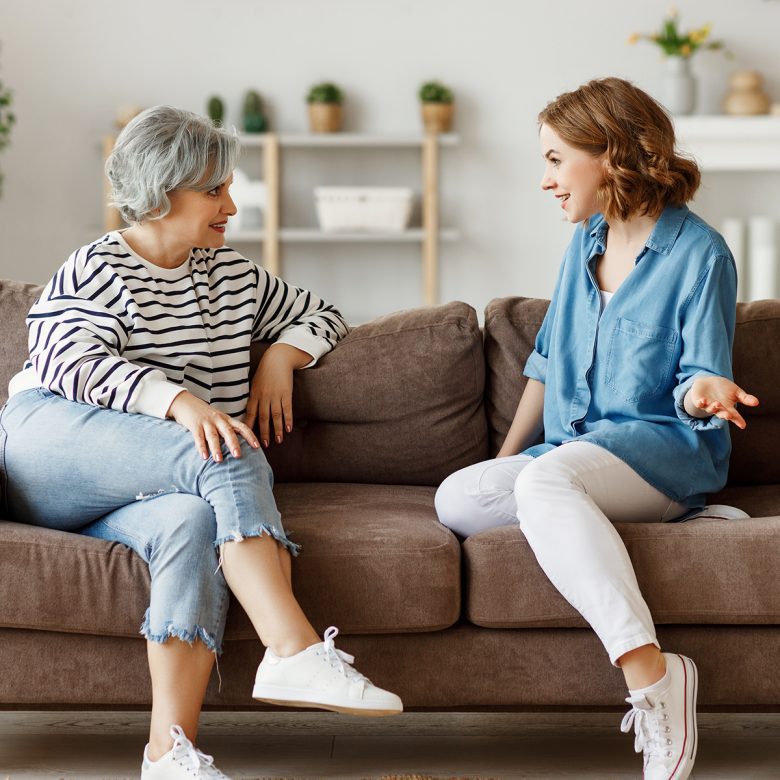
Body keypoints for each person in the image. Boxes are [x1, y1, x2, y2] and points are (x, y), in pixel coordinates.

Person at [0, 105, 402, 780]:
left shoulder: (232, 278)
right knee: (222, 443)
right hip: (48, 449)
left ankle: (169, 752)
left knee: (189, 523)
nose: (232, 205)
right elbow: (69, 361)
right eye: (215, 190)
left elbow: (320, 313)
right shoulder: (96, 267)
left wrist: (280, 358)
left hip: (147, 480)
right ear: (161, 191)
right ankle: (293, 648)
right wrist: (181, 403)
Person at [435, 78, 759, 780]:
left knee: (550, 481)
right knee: (459, 498)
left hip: (665, 452)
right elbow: (548, 362)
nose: (545, 179)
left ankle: (653, 675)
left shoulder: (700, 255)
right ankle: (639, 520)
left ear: (610, 155)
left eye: (556, 159)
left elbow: (703, 372)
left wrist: (706, 392)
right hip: (577, 456)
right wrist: (505, 460)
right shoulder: (587, 240)